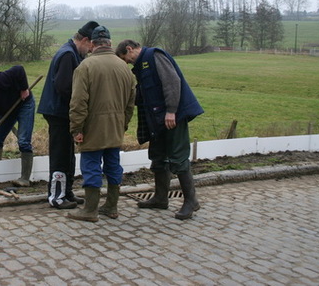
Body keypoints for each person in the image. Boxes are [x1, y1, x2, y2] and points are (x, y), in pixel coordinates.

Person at [116, 39, 204, 220]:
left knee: (178, 157)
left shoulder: (155, 55)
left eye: (126, 58)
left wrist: (172, 111)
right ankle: (160, 198)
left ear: (130, 49)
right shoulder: (142, 65)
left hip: (173, 118)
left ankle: (191, 201)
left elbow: (172, 82)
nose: (127, 62)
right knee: (158, 156)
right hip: (157, 120)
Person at [67, 26, 136, 222]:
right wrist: (123, 124)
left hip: (92, 128)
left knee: (91, 166)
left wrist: (76, 128)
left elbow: (78, 102)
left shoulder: (85, 67)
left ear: (92, 44)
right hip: (116, 126)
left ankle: (90, 209)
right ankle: (112, 206)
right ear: (110, 43)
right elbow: (131, 103)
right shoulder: (125, 67)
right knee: (113, 165)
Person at [37, 21, 99, 209]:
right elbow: (65, 87)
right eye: (91, 47)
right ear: (86, 40)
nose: (90, 51)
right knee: (60, 155)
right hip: (59, 112)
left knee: (68, 154)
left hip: (62, 112)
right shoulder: (67, 55)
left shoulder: (70, 52)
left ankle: (67, 192)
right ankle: (56, 197)